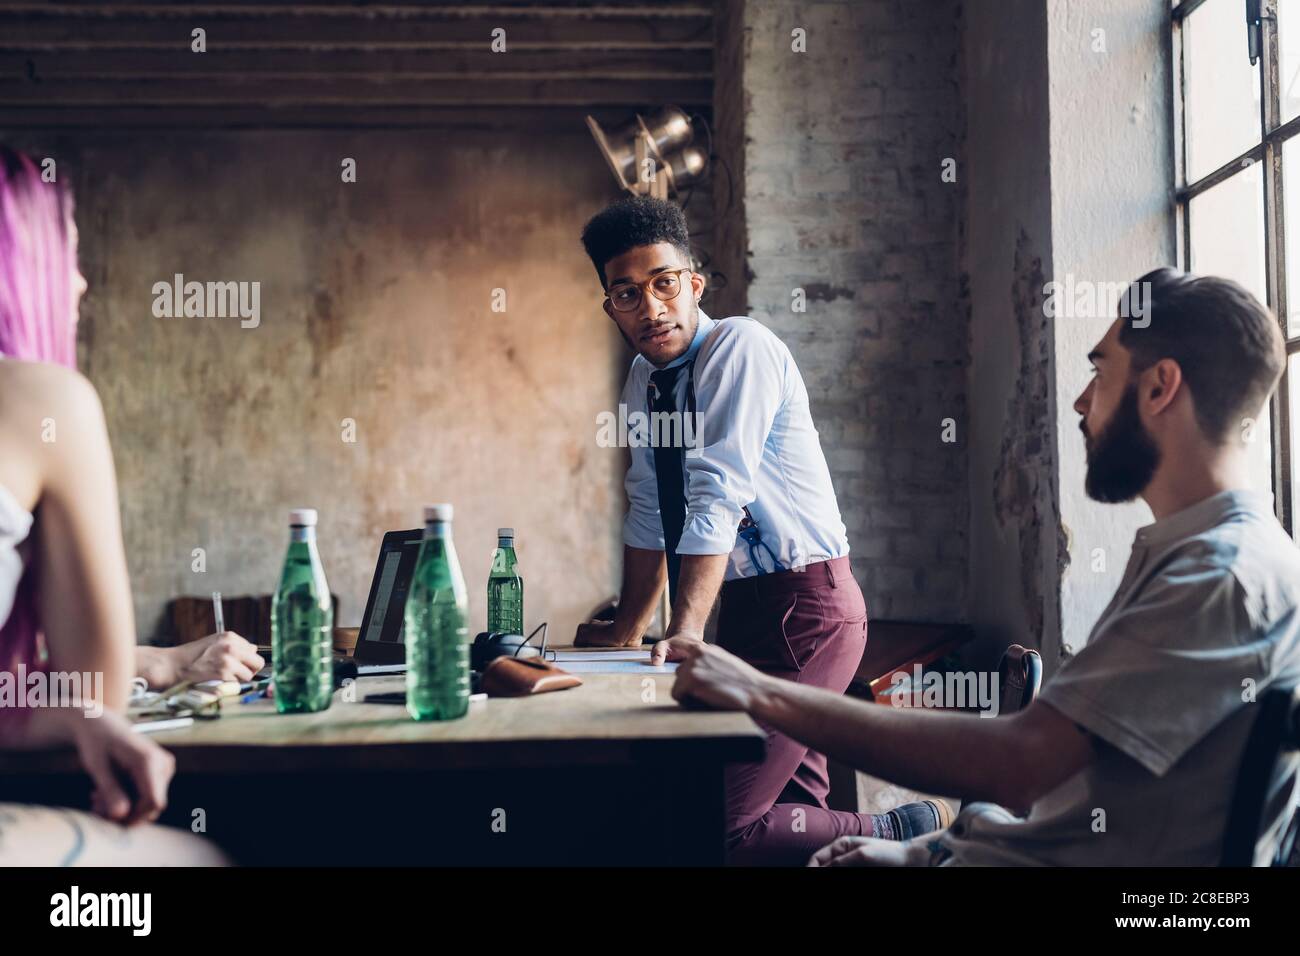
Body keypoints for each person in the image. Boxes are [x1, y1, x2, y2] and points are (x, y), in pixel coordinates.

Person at [673, 268, 1300, 866]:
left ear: (1160, 386)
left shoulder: (1221, 576)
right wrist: (921, 853)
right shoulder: (1203, 553)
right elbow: (1075, 806)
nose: (1081, 403)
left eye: (1100, 374)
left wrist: (759, 691)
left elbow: (1019, 762)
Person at [573, 195, 949, 864]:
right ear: (610, 308)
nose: (651, 308)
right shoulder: (644, 380)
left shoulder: (739, 347)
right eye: (628, 294)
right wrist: (628, 630)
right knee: (787, 822)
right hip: (745, 613)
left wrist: (684, 631)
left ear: (694, 283)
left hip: (807, 612)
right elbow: (649, 506)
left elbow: (714, 495)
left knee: (715, 826)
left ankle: (911, 829)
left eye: (664, 284)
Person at [0, 144, 226, 865]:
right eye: (63, 253)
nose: (78, 280)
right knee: (200, 862)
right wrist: (93, 706)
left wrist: (154, 665)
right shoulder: (43, 400)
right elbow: (95, 688)